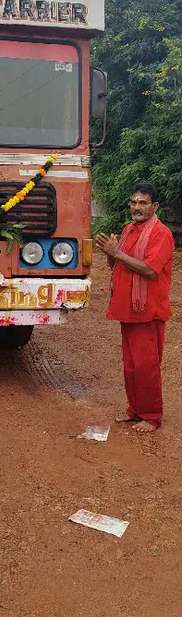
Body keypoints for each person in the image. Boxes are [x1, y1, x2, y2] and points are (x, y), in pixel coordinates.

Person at [96, 183, 175, 433]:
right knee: (130, 365)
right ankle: (135, 410)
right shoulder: (129, 229)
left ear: (155, 206)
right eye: (133, 202)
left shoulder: (161, 234)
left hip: (148, 310)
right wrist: (110, 253)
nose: (136, 207)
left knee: (146, 365)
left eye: (142, 203)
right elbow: (118, 266)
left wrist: (116, 253)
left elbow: (149, 270)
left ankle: (151, 416)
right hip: (128, 308)